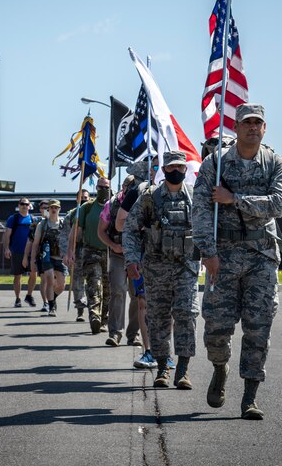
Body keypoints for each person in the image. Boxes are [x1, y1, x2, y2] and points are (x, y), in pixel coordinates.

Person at [192, 102, 282, 420]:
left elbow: (278, 204)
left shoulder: (275, 163)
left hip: (262, 256)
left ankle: (250, 397)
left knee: (258, 328)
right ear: (236, 127)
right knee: (217, 329)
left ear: (265, 128)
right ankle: (219, 368)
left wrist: (235, 199)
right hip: (223, 256)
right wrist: (208, 253)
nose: (252, 127)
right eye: (246, 122)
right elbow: (202, 210)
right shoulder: (215, 165)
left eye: (257, 123)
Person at [124, 151, 200, 389]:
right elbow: (130, 229)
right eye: (170, 167)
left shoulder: (196, 198)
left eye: (179, 166)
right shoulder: (149, 197)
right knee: (158, 319)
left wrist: (211, 255)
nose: (175, 170)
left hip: (186, 268)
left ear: (185, 170)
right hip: (156, 269)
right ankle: (163, 367)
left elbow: (207, 230)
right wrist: (131, 259)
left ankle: (183, 370)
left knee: (187, 315)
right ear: (163, 170)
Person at [117, 156, 160, 369]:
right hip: (143, 255)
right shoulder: (136, 192)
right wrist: (141, 224)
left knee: (167, 308)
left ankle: (164, 351)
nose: (156, 169)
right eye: (153, 165)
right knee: (143, 302)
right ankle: (149, 351)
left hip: (168, 257)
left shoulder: (173, 190)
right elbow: (119, 223)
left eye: (158, 165)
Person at [98, 175, 141, 347]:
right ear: (123, 187)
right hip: (118, 253)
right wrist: (112, 245)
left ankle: (134, 335)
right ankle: (115, 332)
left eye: (134, 186)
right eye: (129, 186)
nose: (131, 189)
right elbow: (100, 231)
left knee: (137, 295)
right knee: (117, 290)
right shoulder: (111, 205)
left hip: (137, 256)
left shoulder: (143, 202)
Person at [65, 178, 111, 335]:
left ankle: (104, 320)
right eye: (101, 187)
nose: (103, 189)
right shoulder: (87, 207)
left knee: (108, 288)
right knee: (94, 283)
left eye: (106, 187)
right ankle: (94, 316)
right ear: (96, 188)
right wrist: (70, 251)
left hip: (110, 253)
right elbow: (75, 232)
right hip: (91, 251)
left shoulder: (114, 206)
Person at [29, 199, 67, 317]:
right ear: (48, 209)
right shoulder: (42, 224)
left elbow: (69, 240)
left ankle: (53, 298)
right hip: (46, 257)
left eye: (56, 207)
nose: (54, 209)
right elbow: (35, 243)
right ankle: (51, 307)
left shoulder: (63, 223)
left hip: (60, 257)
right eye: (51, 208)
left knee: (61, 284)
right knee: (50, 278)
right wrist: (32, 261)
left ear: (59, 209)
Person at [60, 189, 90, 321]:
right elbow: (64, 235)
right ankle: (80, 310)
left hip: (91, 250)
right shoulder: (71, 215)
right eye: (81, 198)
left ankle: (95, 309)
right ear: (77, 199)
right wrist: (66, 253)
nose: (83, 199)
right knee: (77, 282)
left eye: (86, 197)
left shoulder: (93, 212)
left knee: (94, 282)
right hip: (76, 252)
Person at [3, 197, 38, 308]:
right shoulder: (13, 219)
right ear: (18, 206)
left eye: (26, 204)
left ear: (29, 206)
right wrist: (7, 249)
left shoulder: (34, 219)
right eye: (22, 204)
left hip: (31, 252)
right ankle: (17, 298)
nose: (24, 206)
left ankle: (29, 295)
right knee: (18, 276)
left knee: (33, 273)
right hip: (17, 252)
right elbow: (7, 235)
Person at [24, 199, 50, 312]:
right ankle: (46, 303)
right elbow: (30, 241)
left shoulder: (58, 221)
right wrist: (27, 257)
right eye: (43, 207)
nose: (46, 209)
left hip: (54, 254)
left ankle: (51, 300)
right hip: (41, 254)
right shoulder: (35, 223)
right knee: (44, 279)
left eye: (47, 207)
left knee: (54, 281)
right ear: (40, 209)